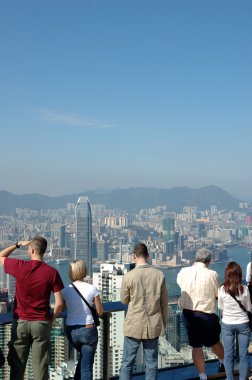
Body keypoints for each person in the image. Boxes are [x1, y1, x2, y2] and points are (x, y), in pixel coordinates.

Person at [0, 237, 64, 380]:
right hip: (41, 324)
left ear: (32, 250)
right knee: (41, 367)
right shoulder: (52, 272)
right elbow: (59, 303)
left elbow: (1, 256)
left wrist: (17, 244)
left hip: (21, 324)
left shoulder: (20, 266)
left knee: (17, 366)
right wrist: (51, 320)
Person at [119, 243, 168, 380]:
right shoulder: (159, 275)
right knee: (151, 363)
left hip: (133, 324)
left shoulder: (129, 276)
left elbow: (123, 300)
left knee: (127, 363)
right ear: (148, 256)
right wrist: (163, 323)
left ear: (133, 256)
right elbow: (164, 303)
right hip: (153, 324)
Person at [177, 248, 224, 380]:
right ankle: (222, 362)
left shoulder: (184, 271)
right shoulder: (212, 274)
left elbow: (180, 283)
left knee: (196, 346)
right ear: (209, 261)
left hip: (188, 315)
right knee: (215, 342)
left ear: (195, 259)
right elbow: (218, 294)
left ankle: (202, 376)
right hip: (206, 315)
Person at [62, 260, 103, 380]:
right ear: (84, 271)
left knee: (83, 359)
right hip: (88, 330)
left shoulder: (65, 290)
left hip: (72, 332)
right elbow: (100, 312)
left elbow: (62, 308)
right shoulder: (92, 289)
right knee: (87, 367)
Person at [218, 262, 251, 380]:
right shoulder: (245, 289)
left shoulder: (222, 289)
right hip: (243, 324)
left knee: (228, 355)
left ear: (227, 274)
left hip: (227, 324)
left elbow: (220, 307)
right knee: (243, 355)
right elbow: (249, 308)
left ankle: (230, 378)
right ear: (239, 274)